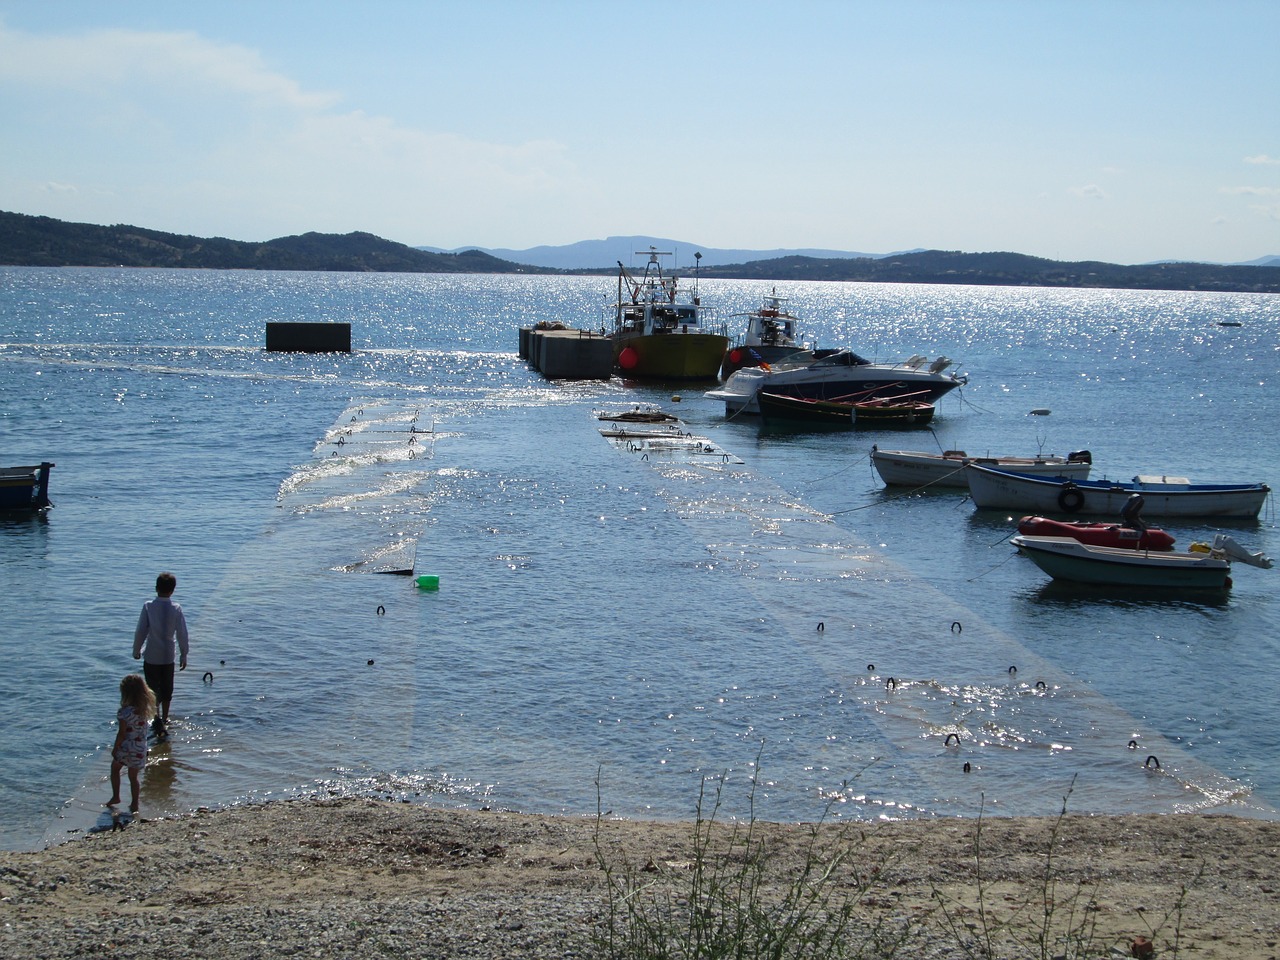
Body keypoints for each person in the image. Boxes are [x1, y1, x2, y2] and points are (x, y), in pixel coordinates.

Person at [132, 571, 189, 739]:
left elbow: (141, 631)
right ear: (173, 590)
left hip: (151, 655)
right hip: (168, 656)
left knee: (152, 689)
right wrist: (184, 654)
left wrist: (136, 650)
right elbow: (182, 634)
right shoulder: (176, 608)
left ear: (156, 588)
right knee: (167, 688)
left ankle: (155, 717)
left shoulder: (148, 606)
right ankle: (165, 717)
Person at [108, 673, 156, 814]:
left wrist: (115, 748)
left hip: (127, 747)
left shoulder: (124, 712)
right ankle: (135, 804)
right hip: (140, 748)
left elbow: (122, 733)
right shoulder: (145, 711)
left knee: (115, 768)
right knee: (133, 777)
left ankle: (116, 796)